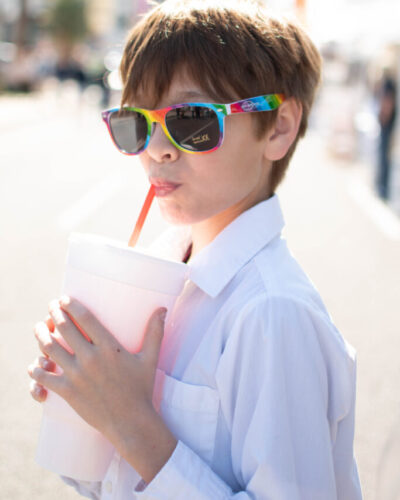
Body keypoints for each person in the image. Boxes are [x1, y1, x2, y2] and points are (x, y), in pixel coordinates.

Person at [28, 1, 363, 498]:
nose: (156, 148)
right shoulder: (163, 273)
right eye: (136, 122)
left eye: (191, 120)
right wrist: (86, 403)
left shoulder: (273, 313)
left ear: (278, 128)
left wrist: (129, 423)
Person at [375, 67, 397, 201]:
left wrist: (383, 117)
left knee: (384, 157)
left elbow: (388, 102)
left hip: (387, 124)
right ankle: (382, 186)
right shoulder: (389, 83)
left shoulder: (389, 84)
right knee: (383, 156)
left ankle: (383, 187)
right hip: (387, 123)